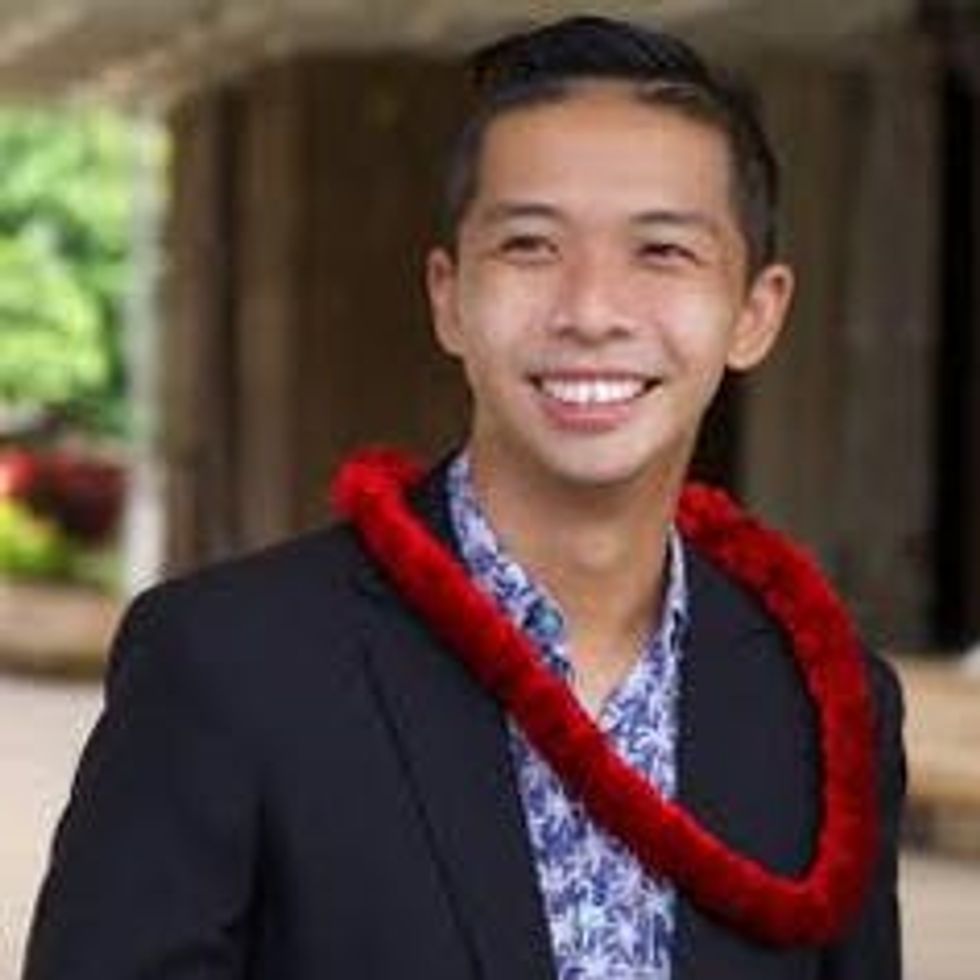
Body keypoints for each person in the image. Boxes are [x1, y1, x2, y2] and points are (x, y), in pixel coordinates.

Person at [23, 15, 905, 980]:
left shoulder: (826, 703)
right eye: (530, 245)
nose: (591, 312)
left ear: (756, 313)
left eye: (662, 252)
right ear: (448, 296)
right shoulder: (227, 666)